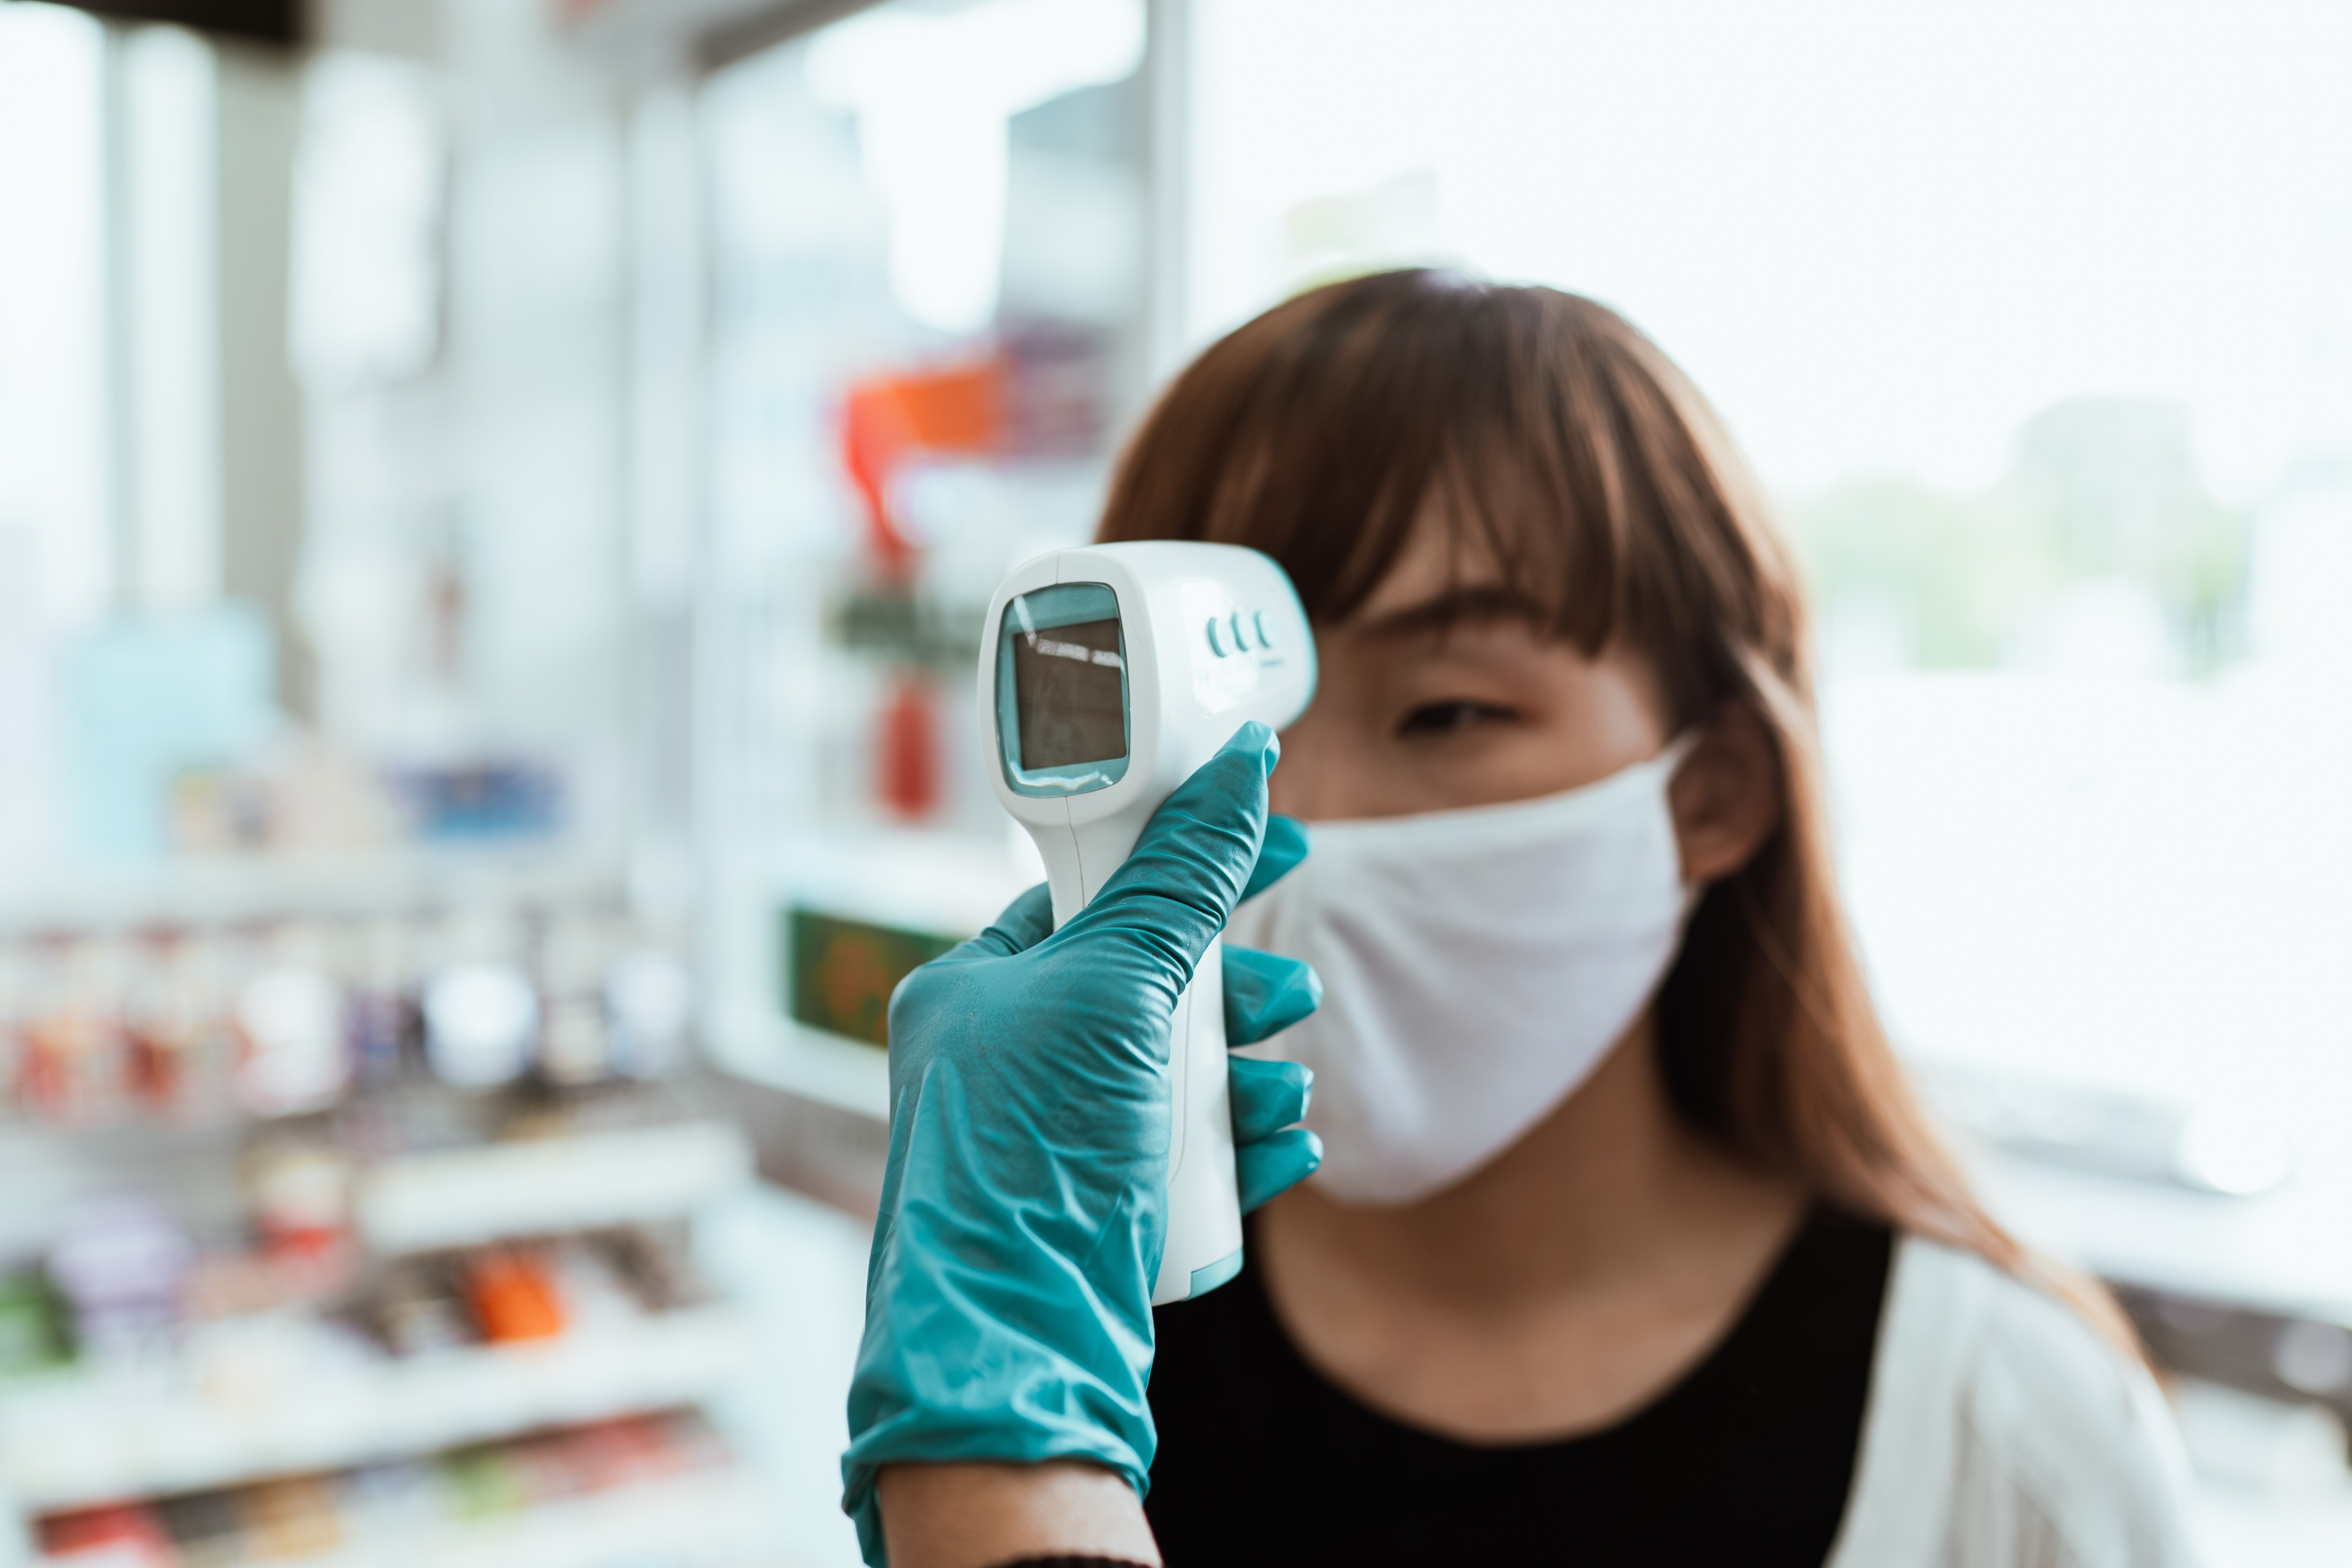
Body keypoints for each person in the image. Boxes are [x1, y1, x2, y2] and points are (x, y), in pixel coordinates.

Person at [841, 270, 2198, 1567]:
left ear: (1713, 790)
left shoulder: (2006, 1439)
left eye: (1449, 712)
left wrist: (995, 1461)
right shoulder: (1094, 1329)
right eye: (1225, 726)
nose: (1292, 814)